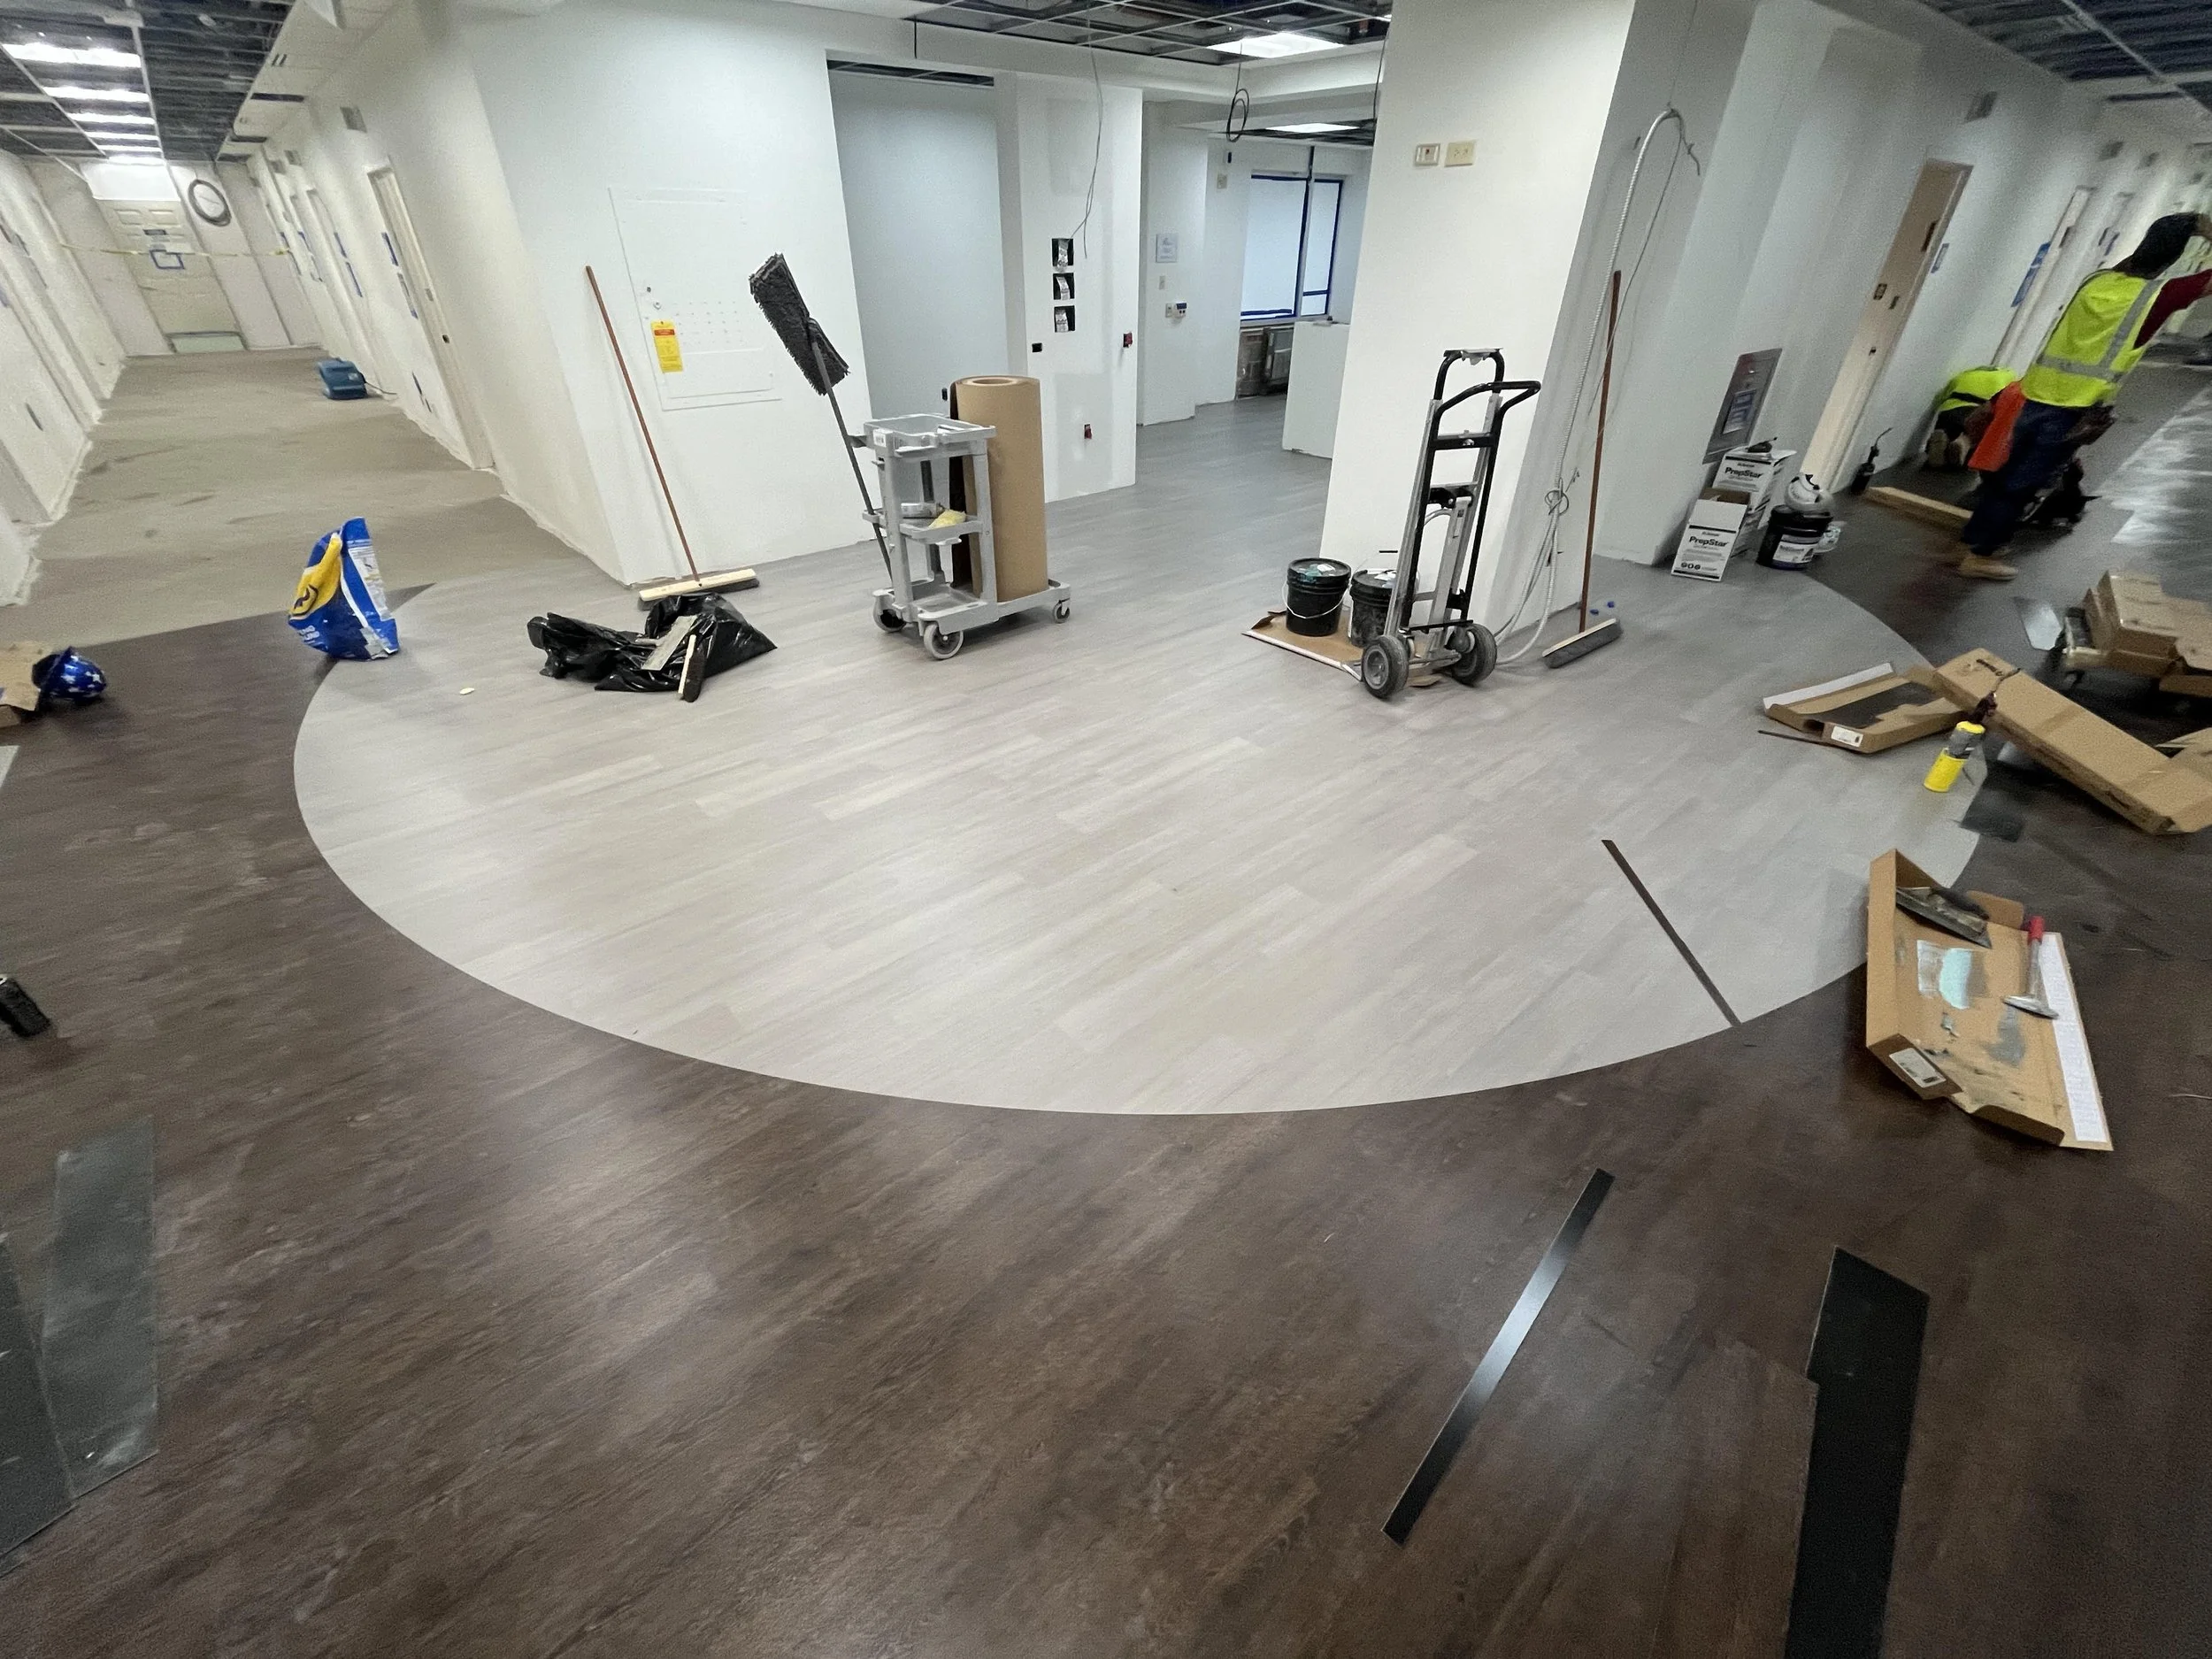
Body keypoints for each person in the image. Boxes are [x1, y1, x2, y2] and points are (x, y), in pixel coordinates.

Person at [1955, 211, 2212, 580]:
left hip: (2034, 393)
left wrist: (2170, 232)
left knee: (2007, 472)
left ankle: (1973, 538)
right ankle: (1981, 553)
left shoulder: (2097, 281)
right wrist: (2206, 231)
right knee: (2024, 482)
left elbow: (2135, 264)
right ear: (2173, 257)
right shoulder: (2158, 297)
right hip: (2072, 409)